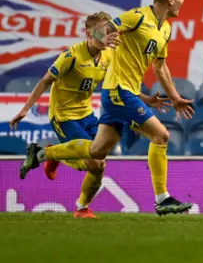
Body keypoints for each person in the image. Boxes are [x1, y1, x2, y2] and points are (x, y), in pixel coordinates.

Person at [19, 0, 195, 216]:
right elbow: (107, 28)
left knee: (96, 153)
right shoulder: (137, 16)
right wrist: (103, 38)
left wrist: (174, 97)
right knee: (161, 135)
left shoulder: (165, 29)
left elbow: (160, 67)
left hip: (126, 92)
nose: (184, 0)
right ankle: (162, 198)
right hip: (118, 91)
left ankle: (42, 153)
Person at [10, 12, 171, 218]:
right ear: (88, 34)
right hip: (64, 116)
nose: (108, 36)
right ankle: (46, 154)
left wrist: (148, 100)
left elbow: (119, 83)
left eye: (109, 31)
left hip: (87, 114)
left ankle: (81, 207)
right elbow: (45, 81)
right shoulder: (71, 56)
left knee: (100, 162)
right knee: (92, 163)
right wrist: (24, 110)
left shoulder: (109, 55)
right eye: (102, 32)